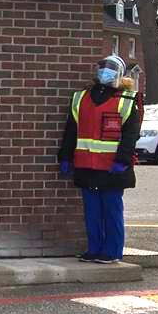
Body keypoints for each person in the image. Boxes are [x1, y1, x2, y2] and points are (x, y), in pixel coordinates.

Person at [58, 53, 142, 264]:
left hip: (113, 168)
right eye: (103, 67)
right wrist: (65, 157)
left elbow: (131, 135)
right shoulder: (81, 98)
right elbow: (71, 131)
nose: (106, 71)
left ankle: (112, 251)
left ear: (120, 74)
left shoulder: (127, 101)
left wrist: (122, 161)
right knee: (92, 211)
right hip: (86, 166)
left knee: (112, 210)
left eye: (111, 68)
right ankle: (94, 249)